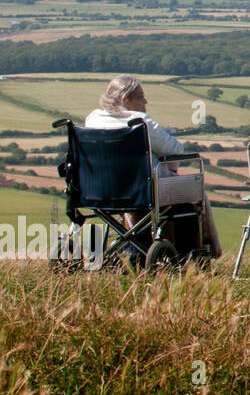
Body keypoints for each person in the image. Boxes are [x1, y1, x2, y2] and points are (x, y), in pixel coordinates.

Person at [84, 74, 222, 258]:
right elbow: (176, 151)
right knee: (197, 192)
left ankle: (132, 248)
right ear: (125, 99)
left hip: (101, 191)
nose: (145, 101)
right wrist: (171, 168)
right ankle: (209, 250)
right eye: (141, 96)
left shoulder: (93, 119)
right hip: (144, 192)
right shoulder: (141, 122)